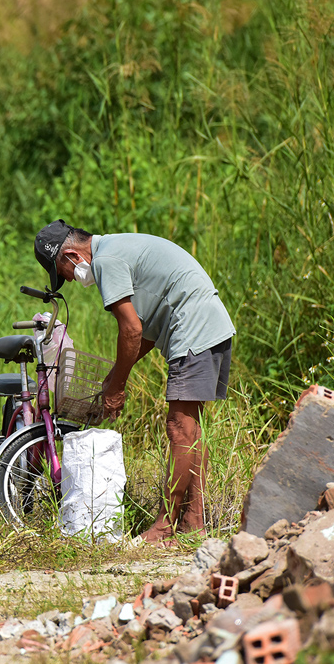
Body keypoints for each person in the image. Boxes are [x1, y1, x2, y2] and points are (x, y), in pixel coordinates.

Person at [34, 220, 236, 543]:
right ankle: (194, 522)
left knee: (178, 427)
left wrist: (117, 387)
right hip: (210, 324)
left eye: (64, 272)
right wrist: (115, 374)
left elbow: (131, 330)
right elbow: (146, 330)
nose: (70, 280)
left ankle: (165, 526)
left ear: (71, 255)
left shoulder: (105, 262)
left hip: (194, 326)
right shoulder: (114, 248)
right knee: (190, 430)